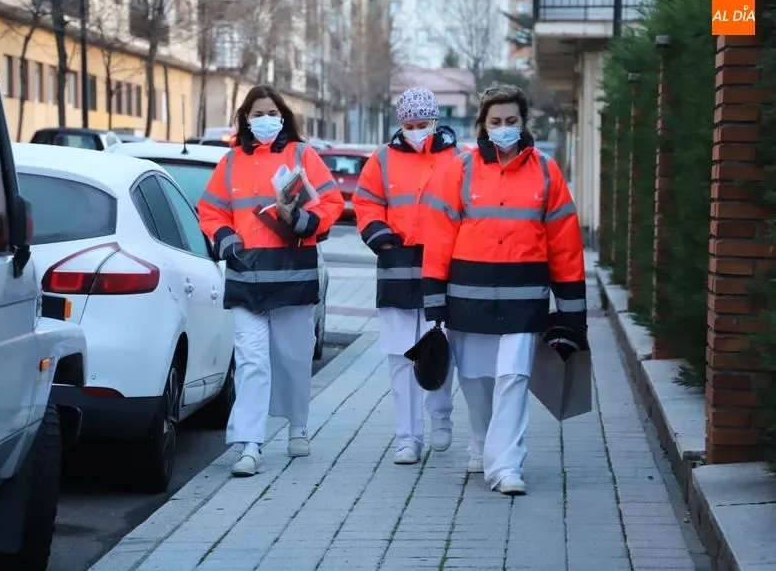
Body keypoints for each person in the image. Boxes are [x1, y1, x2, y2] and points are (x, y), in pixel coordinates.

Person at [420, 84, 586, 495]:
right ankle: (480, 442)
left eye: (511, 121)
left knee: (513, 375)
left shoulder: (546, 171)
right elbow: (440, 235)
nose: (504, 128)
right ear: (482, 124)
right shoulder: (459, 170)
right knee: (475, 379)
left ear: (523, 123)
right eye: (496, 121)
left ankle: (506, 465)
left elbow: (564, 242)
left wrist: (571, 309)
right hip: (467, 294)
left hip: (524, 297)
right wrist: (434, 297)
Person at [198, 85, 344, 478]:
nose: (265, 119)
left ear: (283, 117)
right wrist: (226, 241)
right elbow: (210, 210)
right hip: (247, 275)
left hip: (293, 274)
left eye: (272, 112)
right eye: (258, 113)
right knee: (250, 361)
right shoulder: (230, 162)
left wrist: (298, 218)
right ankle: (249, 444)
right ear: (245, 118)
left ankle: (298, 425)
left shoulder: (302, 155)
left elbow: (332, 203)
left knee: (294, 357)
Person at [351, 87, 458, 465]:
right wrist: (379, 236)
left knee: (439, 350)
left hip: (442, 265)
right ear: (400, 123)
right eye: (409, 124)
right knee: (399, 357)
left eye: (423, 123)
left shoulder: (457, 158)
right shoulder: (382, 160)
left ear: (436, 120)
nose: (416, 130)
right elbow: (365, 201)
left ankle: (440, 417)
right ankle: (407, 437)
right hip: (397, 265)